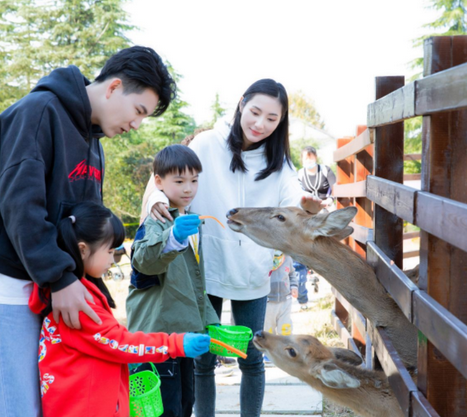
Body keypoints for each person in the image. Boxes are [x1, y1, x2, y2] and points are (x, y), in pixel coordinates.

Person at [0, 45, 176, 416]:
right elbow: (20, 207)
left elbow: (84, 224)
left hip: (51, 289)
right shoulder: (37, 113)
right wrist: (59, 277)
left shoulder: (93, 141)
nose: (137, 125)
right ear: (114, 87)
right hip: (8, 283)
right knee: (16, 408)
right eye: (139, 111)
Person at [142, 79, 325, 417]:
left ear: (280, 122)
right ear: (241, 104)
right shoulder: (207, 143)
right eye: (255, 112)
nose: (260, 124)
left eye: (272, 118)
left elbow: (292, 199)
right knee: (203, 357)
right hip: (206, 268)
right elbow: (166, 177)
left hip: (252, 270)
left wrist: (307, 205)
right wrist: (155, 198)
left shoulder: (279, 163)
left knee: (252, 356)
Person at [29, 201, 210, 417]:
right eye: (110, 251)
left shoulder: (75, 294)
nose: (113, 260)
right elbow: (120, 343)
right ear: (83, 250)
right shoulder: (78, 305)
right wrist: (176, 344)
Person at [125, 145, 220, 417]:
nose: (188, 188)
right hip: (157, 337)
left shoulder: (183, 219)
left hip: (183, 336)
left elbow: (194, 284)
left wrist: (210, 322)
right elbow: (144, 260)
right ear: (158, 182)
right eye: (179, 181)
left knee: (184, 404)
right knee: (165, 409)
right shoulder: (156, 220)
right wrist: (172, 238)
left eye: (194, 180)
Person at [295, 146, 336, 309]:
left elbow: (336, 188)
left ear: (316, 157)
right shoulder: (300, 174)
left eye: (311, 158)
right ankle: (302, 293)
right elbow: (297, 194)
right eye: (306, 158)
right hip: (307, 213)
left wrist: (330, 200)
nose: (309, 161)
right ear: (302, 160)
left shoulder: (325, 170)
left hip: (325, 209)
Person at [263, 252, 298, 336]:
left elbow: (292, 273)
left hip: (285, 300)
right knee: (268, 331)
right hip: (268, 302)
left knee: (285, 329)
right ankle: (270, 348)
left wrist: (294, 286)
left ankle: (286, 346)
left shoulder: (287, 257)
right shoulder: (264, 258)